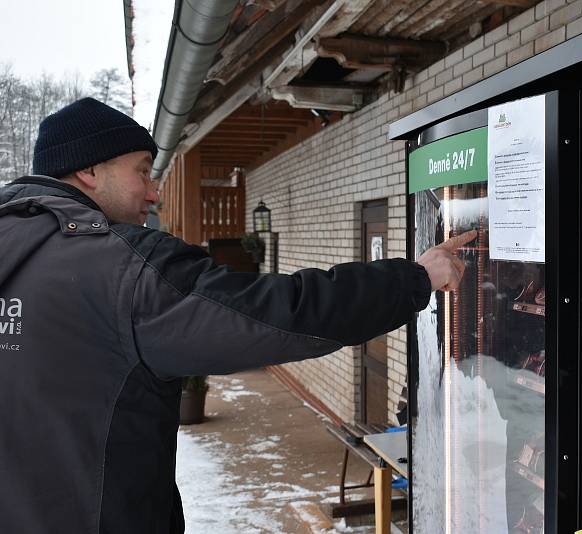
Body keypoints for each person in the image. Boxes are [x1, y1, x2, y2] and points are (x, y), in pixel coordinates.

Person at [0, 97, 474, 533]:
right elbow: (278, 314)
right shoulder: (121, 267)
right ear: (88, 171)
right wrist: (415, 279)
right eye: (142, 171)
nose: (154, 193)